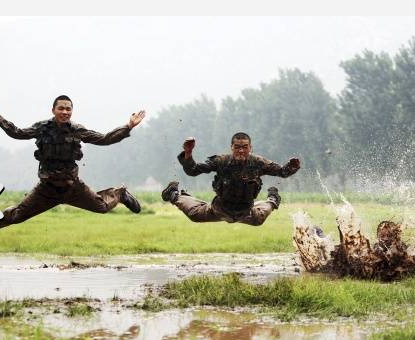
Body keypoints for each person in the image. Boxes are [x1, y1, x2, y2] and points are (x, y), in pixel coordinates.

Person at [0, 95, 145, 229]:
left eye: (68, 109)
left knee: (102, 207)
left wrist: (128, 126)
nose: (65, 112)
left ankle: (120, 194)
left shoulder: (77, 130)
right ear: (53, 110)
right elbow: (17, 133)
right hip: (46, 190)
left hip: (73, 188)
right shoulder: (42, 128)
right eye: (61, 108)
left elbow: (105, 139)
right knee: (16, 216)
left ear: (72, 112)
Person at [162, 132, 300, 226]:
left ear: (250, 148)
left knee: (259, 219)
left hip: (246, 210)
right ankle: (174, 194)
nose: (241, 151)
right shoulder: (221, 161)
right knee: (195, 215)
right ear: (231, 148)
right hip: (220, 208)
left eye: (245, 147)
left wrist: (291, 167)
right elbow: (193, 170)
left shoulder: (259, 162)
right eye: (237, 147)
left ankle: (273, 199)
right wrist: (188, 153)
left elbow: (282, 172)